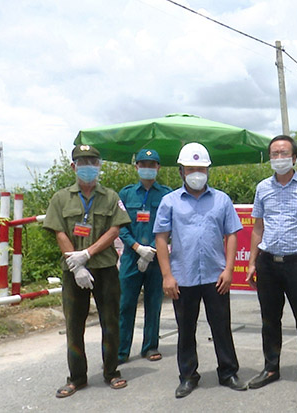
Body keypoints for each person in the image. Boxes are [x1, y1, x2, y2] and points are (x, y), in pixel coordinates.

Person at [154, 142, 246, 398]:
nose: (197, 173)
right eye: (191, 168)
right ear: (181, 171)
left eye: (202, 168)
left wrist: (229, 270)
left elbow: (232, 235)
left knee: (222, 327)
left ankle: (228, 372)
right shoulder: (169, 202)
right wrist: (167, 275)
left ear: (208, 171)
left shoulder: (221, 200)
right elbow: (161, 238)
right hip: (182, 277)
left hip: (216, 276)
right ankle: (187, 376)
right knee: (186, 329)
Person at [43, 144, 132, 398]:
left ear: (99, 165)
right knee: (74, 324)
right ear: (73, 167)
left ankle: (112, 372)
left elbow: (115, 229)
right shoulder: (61, 198)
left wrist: (88, 254)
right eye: (82, 162)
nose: (88, 167)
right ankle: (77, 378)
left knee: (111, 321)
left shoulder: (111, 197)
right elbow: (59, 231)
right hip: (73, 271)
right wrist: (76, 262)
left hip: (104, 268)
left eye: (93, 162)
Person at [245, 135, 297, 393]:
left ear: (294, 157)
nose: (279, 158)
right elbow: (257, 227)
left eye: (284, 153)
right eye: (274, 154)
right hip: (268, 263)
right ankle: (271, 367)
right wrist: (251, 262)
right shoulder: (262, 188)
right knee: (270, 318)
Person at [117, 149, 172, 364]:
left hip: (158, 258)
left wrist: (158, 250)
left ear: (158, 167)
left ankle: (150, 346)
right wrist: (137, 247)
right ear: (136, 167)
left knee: (154, 302)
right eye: (143, 164)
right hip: (132, 257)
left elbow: (171, 225)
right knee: (125, 304)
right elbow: (119, 226)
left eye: (152, 164)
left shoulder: (167, 194)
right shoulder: (126, 194)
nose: (148, 168)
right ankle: (121, 350)